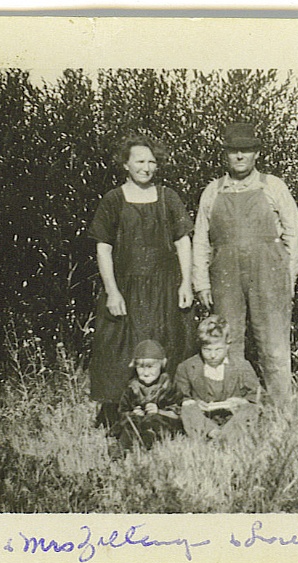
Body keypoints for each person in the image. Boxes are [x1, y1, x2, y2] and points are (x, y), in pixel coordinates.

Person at [88, 135, 195, 429]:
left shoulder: (168, 197)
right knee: (119, 349)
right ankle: (119, 417)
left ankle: (167, 415)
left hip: (164, 288)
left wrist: (186, 283)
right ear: (126, 164)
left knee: (169, 344)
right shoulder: (113, 200)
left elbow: (184, 241)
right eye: (140, 161)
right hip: (126, 289)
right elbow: (103, 248)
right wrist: (112, 291)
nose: (146, 167)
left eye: (151, 161)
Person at [192, 122, 298, 404]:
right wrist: (201, 282)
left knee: (274, 346)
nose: (239, 157)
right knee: (227, 343)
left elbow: (295, 232)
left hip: (269, 274)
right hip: (224, 276)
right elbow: (201, 241)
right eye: (233, 151)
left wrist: (287, 275)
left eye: (245, 150)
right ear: (225, 155)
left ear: (256, 153)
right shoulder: (212, 191)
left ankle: (281, 411)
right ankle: (232, 409)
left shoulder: (273, 186)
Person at [175, 315, 261, 440]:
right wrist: (196, 403)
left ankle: (227, 436)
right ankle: (212, 432)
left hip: (233, 417)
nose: (213, 355)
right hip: (204, 418)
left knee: (250, 409)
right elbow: (180, 399)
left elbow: (258, 396)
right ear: (200, 347)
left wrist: (241, 402)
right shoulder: (187, 367)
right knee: (188, 408)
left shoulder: (241, 366)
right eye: (207, 350)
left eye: (218, 350)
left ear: (228, 345)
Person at [113, 339, 182, 450]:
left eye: (150, 367)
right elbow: (122, 411)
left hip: (161, 424)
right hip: (137, 423)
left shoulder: (168, 387)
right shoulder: (132, 388)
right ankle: (121, 449)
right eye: (140, 367)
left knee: (155, 422)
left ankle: (147, 442)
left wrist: (159, 411)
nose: (145, 373)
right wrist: (132, 414)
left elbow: (178, 412)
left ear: (162, 365)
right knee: (131, 424)